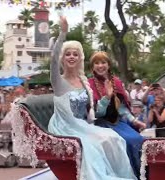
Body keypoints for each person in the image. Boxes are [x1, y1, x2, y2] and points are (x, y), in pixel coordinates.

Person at [48, 16, 136, 180]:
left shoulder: (83, 81)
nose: (72, 57)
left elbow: (94, 111)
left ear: (80, 58)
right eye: (68, 54)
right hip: (65, 126)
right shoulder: (58, 81)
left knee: (114, 138)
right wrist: (62, 34)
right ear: (63, 58)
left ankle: (119, 174)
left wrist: (107, 97)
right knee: (93, 145)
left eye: (75, 54)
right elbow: (52, 62)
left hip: (82, 124)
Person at [88, 51, 146, 178]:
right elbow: (96, 113)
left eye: (103, 62)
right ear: (92, 67)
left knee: (139, 139)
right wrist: (107, 98)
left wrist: (135, 121)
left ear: (108, 65)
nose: (100, 65)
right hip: (99, 124)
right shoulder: (89, 84)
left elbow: (123, 109)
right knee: (126, 141)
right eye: (96, 63)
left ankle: (141, 174)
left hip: (118, 122)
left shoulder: (117, 82)